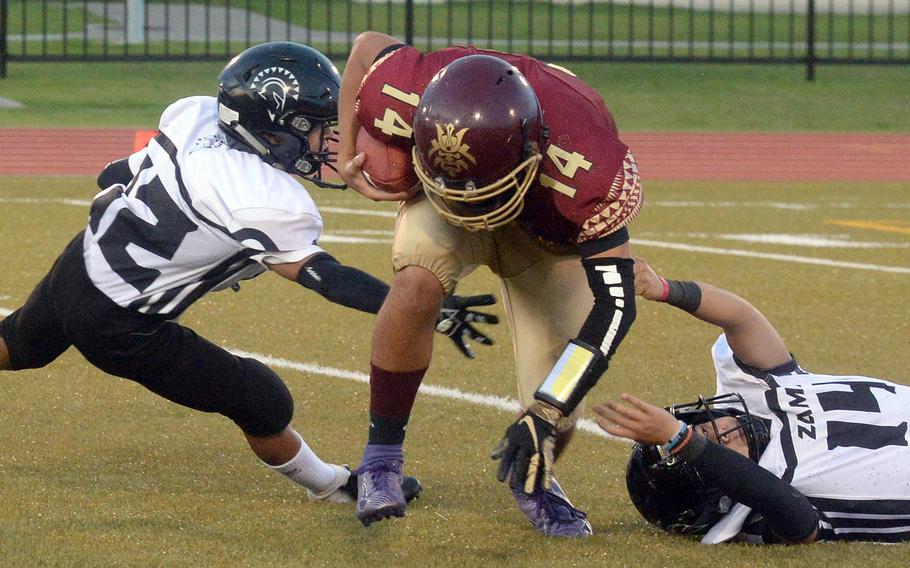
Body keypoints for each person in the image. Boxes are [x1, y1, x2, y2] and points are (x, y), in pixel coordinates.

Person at [0, 42, 499, 508]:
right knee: (261, 397)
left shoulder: (194, 114)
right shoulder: (262, 197)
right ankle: (334, 487)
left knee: (19, 346)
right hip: (119, 322)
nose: (330, 141)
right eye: (315, 128)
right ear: (273, 129)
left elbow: (114, 174)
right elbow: (323, 276)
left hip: (82, 261)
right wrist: (419, 305)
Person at [336, 31, 644, 534]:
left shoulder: (591, 172)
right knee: (416, 280)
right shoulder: (404, 90)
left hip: (547, 233)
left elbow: (615, 308)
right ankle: (381, 462)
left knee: (562, 372)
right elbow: (368, 46)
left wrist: (547, 410)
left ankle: (537, 481)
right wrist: (349, 148)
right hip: (445, 201)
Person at [593, 258, 910, 544]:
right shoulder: (763, 504)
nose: (717, 429)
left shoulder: (755, 389)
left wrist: (662, 288)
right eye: (712, 443)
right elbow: (799, 522)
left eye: (703, 429)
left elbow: (741, 319)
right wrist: (682, 440)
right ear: (720, 492)